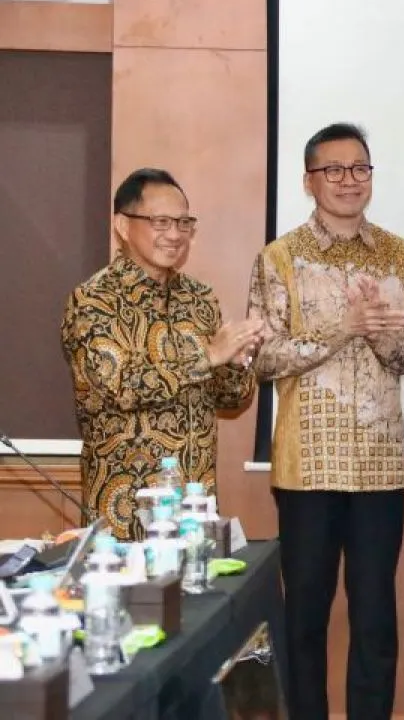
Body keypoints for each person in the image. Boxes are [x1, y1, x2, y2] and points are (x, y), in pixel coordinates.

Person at [248, 122, 404, 720]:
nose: (348, 180)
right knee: (304, 617)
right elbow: (263, 357)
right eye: (333, 169)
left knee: (375, 618)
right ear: (309, 181)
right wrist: (344, 328)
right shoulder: (280, 258)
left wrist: (383, 335)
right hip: (307, 467)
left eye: (360, 168)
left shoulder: (401, 256)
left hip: (379, 467)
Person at [60, 167, 261, 540]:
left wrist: (235, 364)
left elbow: (232, 399)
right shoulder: (93, 301)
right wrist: (207, 355)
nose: (175, 234)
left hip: (194, 509)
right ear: (123, 225)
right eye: (161, 222)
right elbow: (120, 388)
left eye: (184, 223)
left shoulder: (199, 298)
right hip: (125, 515)